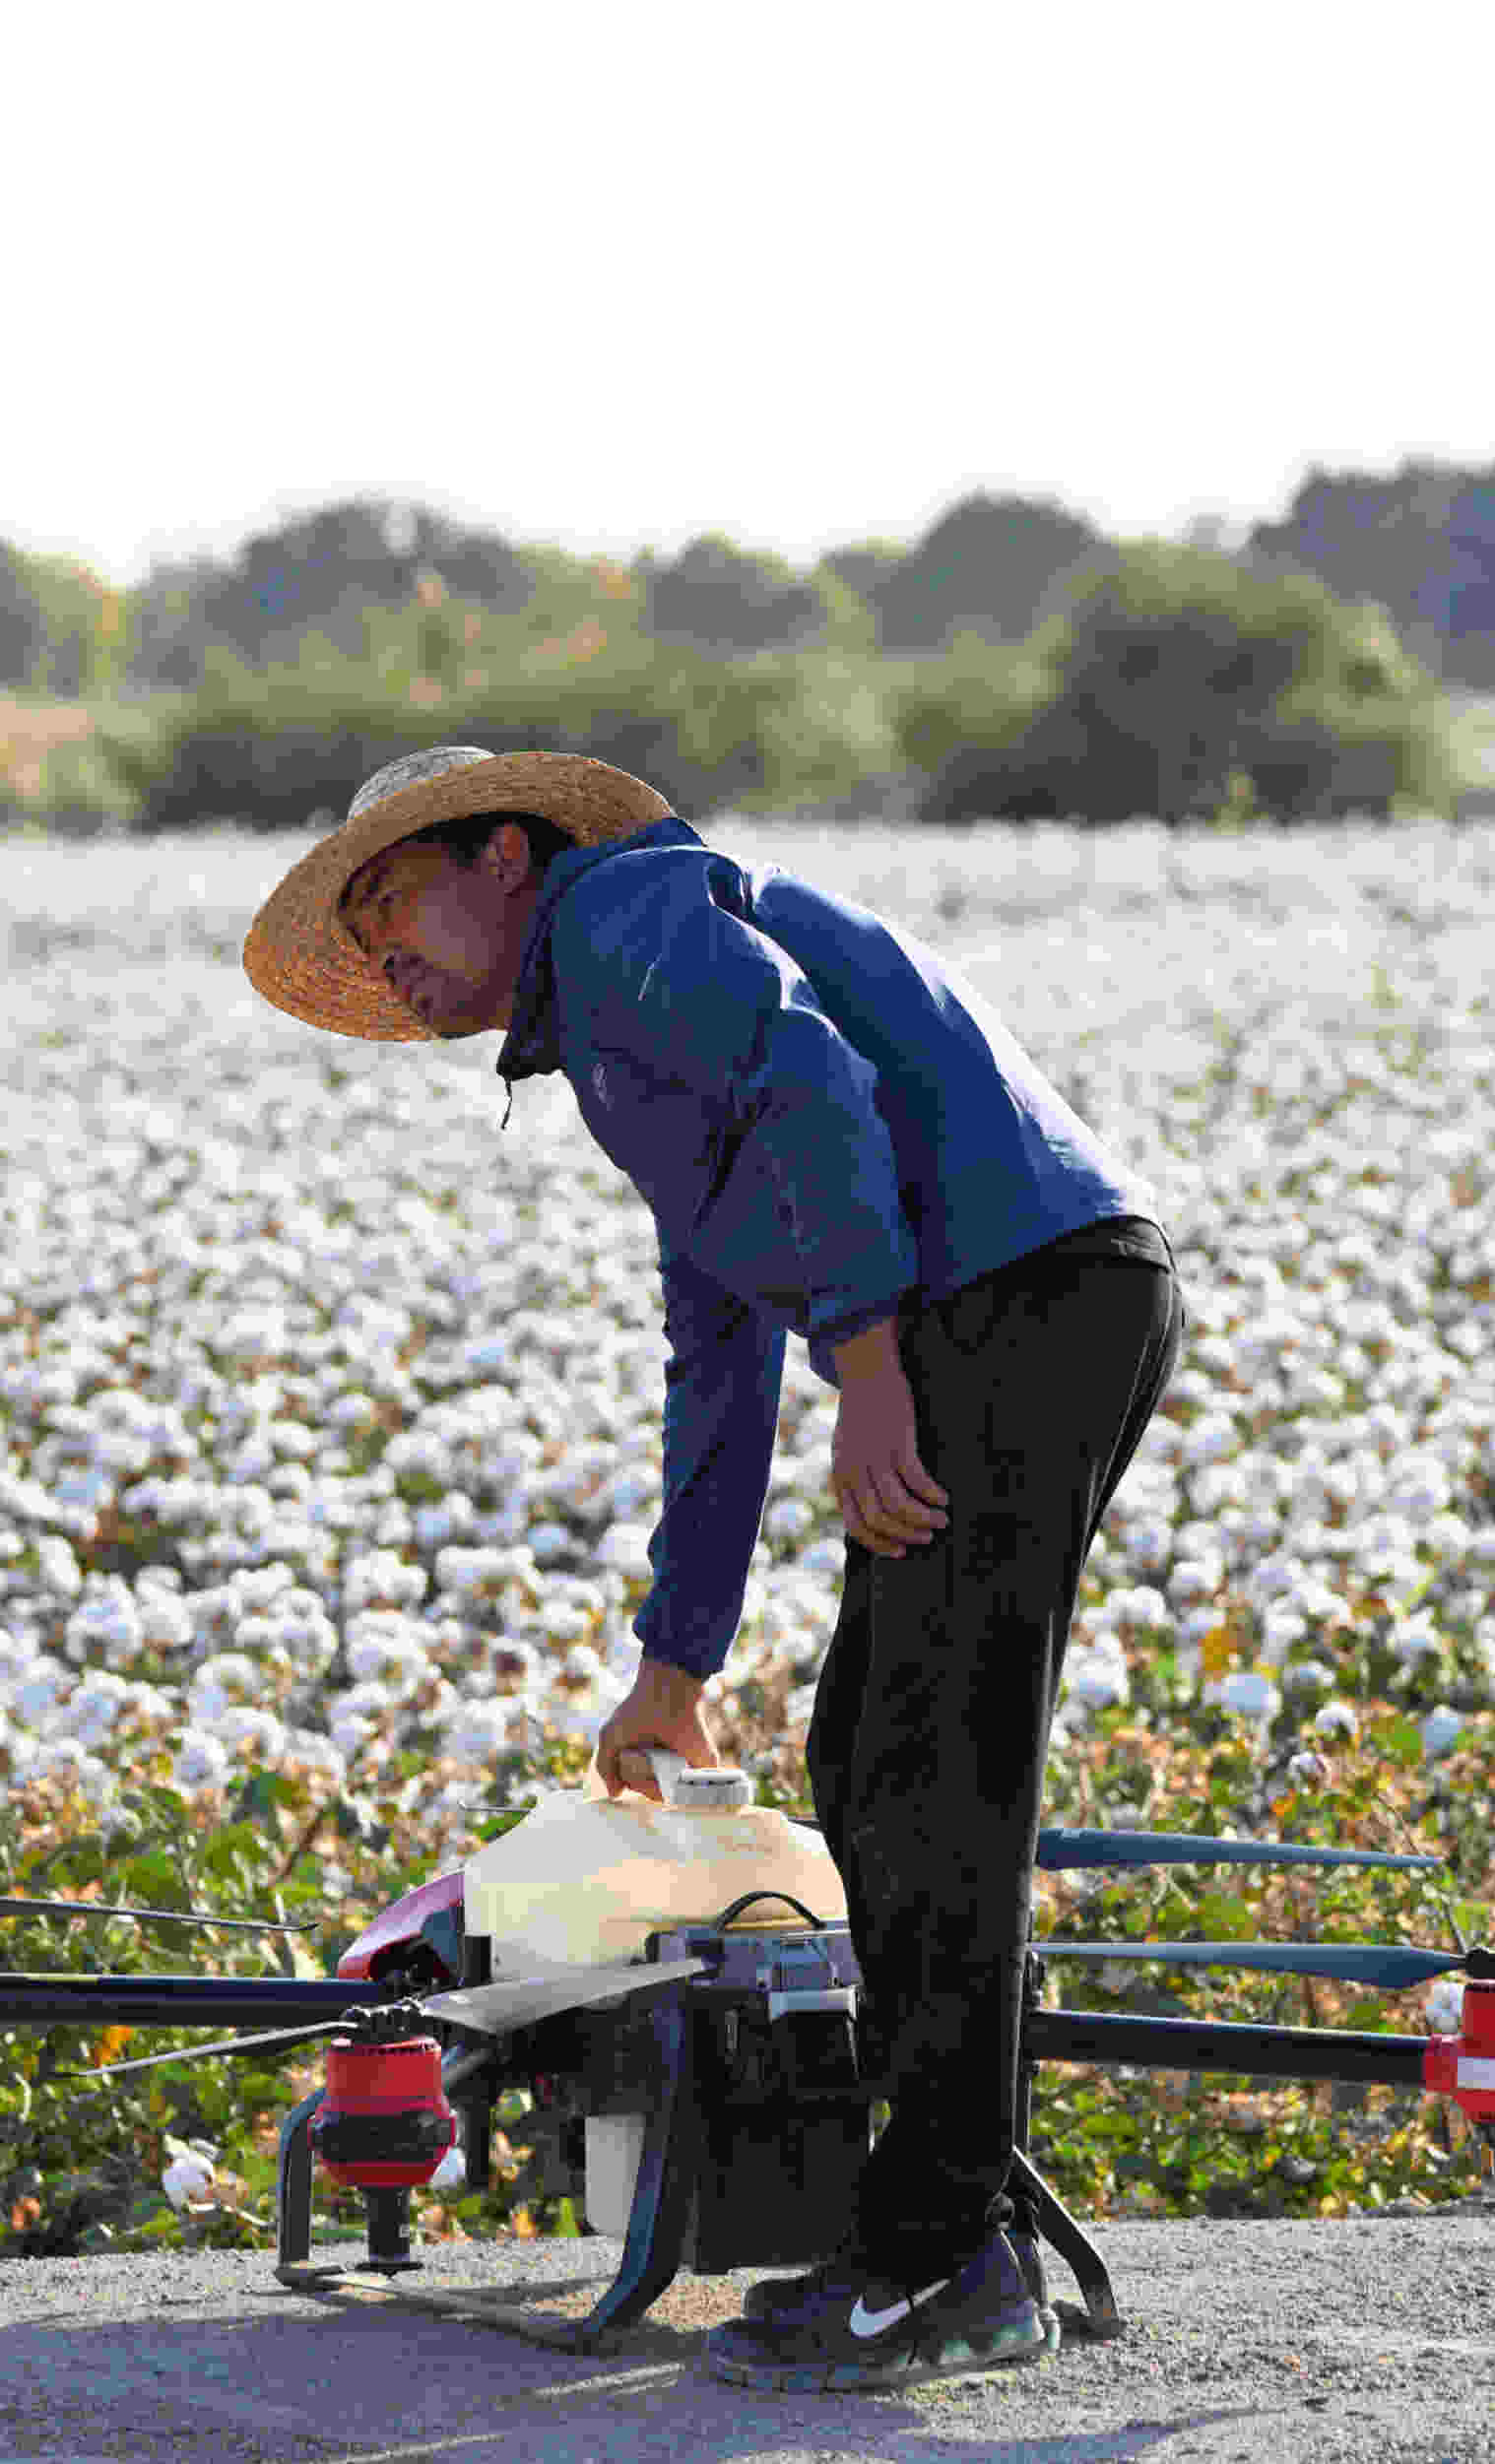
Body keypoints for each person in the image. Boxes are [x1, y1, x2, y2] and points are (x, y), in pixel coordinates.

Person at [244, 745, 1183, 2393]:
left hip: (1009, 1296)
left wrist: (877, 1363)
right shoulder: (620, 1021)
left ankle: (942, 2253)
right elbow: (717, 1346)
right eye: (365, 929)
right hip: (1006, 1299)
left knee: (929, 1767)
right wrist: (673, 1658)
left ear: (509, 854)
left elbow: (812, 1085)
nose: (387, 954)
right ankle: (947, 2222)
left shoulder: (624, 914)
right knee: (879, 1758)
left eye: (393, 897)